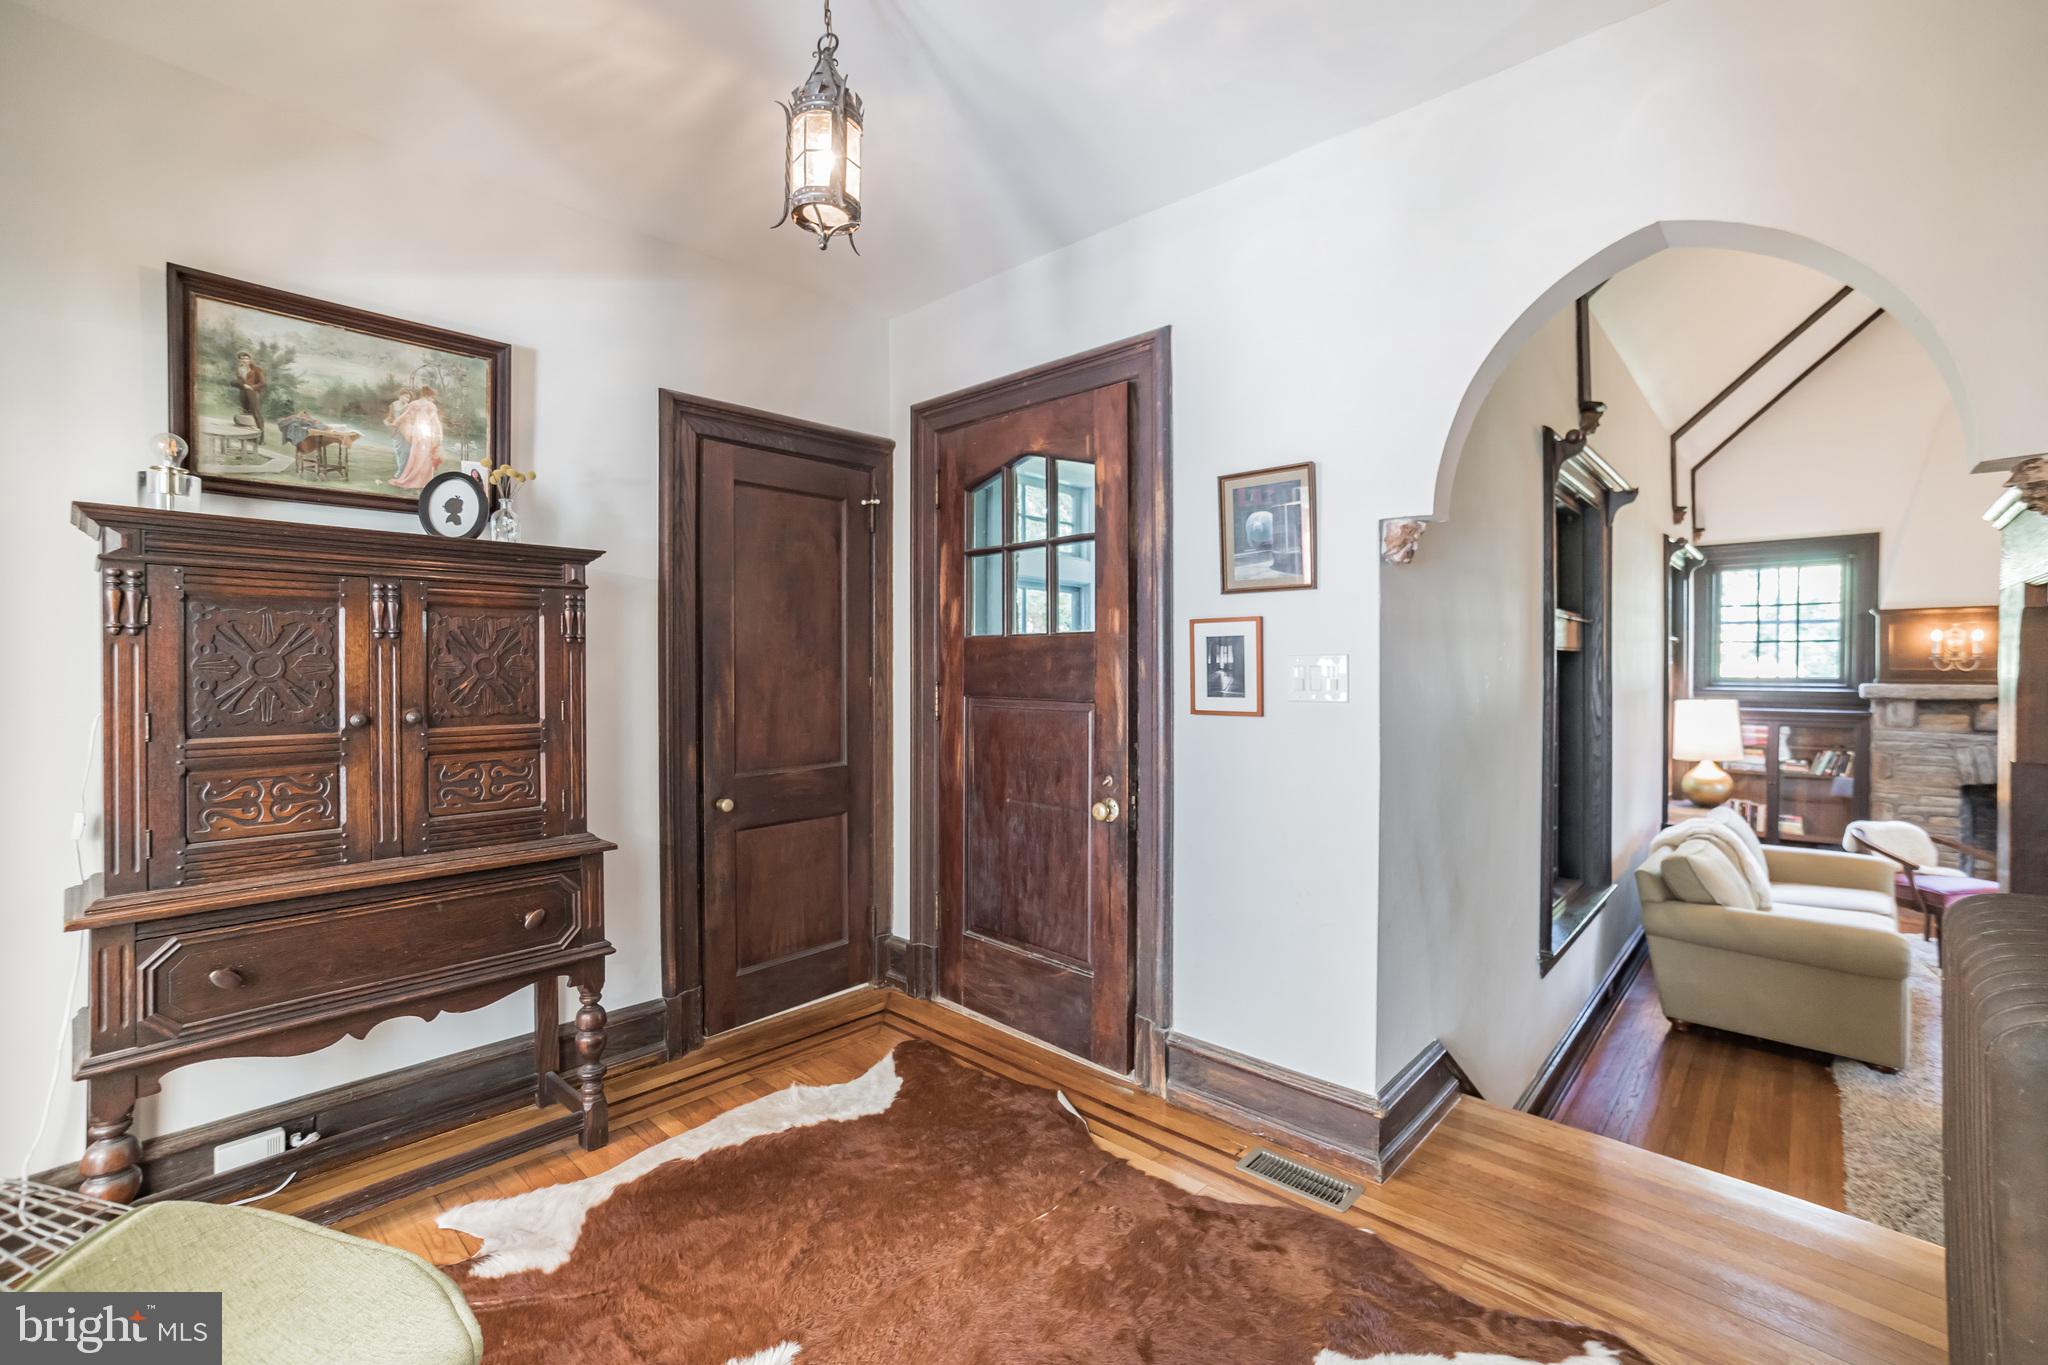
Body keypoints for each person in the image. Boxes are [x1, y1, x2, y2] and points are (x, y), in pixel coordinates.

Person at [387, 386, 445, 490]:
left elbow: (404, 416)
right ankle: (423, 480)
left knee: (415, 456)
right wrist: (439, 435)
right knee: (425, 457)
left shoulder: (414, 404)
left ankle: (411, 478)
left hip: (417, 433)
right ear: (429, 395)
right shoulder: (431, 406)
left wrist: (396, 423)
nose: (433, 399)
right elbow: (435, 422)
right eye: (432, 396)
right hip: (427, 434)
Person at [232, 351, 267, 441]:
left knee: (256, 414)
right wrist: (238, 384)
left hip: (253, 393)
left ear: (250, 360)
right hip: (243, 394)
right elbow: (241, 382)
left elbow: (263, 383)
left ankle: (260, 438)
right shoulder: (239, 369)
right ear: (239, 360)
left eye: (246, 358)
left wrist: (252, 387)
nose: (244, 360)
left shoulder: (257, 369)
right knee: (246, 413)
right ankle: (248, 436)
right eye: (242, 359)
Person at [384, 387, 415, 478]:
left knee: (405, 451)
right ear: (400, 396)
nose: (407, 399)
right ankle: (401, 470)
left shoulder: (410, 407)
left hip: (406, 431)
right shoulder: (393, 405)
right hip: (395, 431)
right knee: (398, 451)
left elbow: (413, 419)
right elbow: (390, 416)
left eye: (408, 398)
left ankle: (401, 472)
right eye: (405, 397)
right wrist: (386, 421)